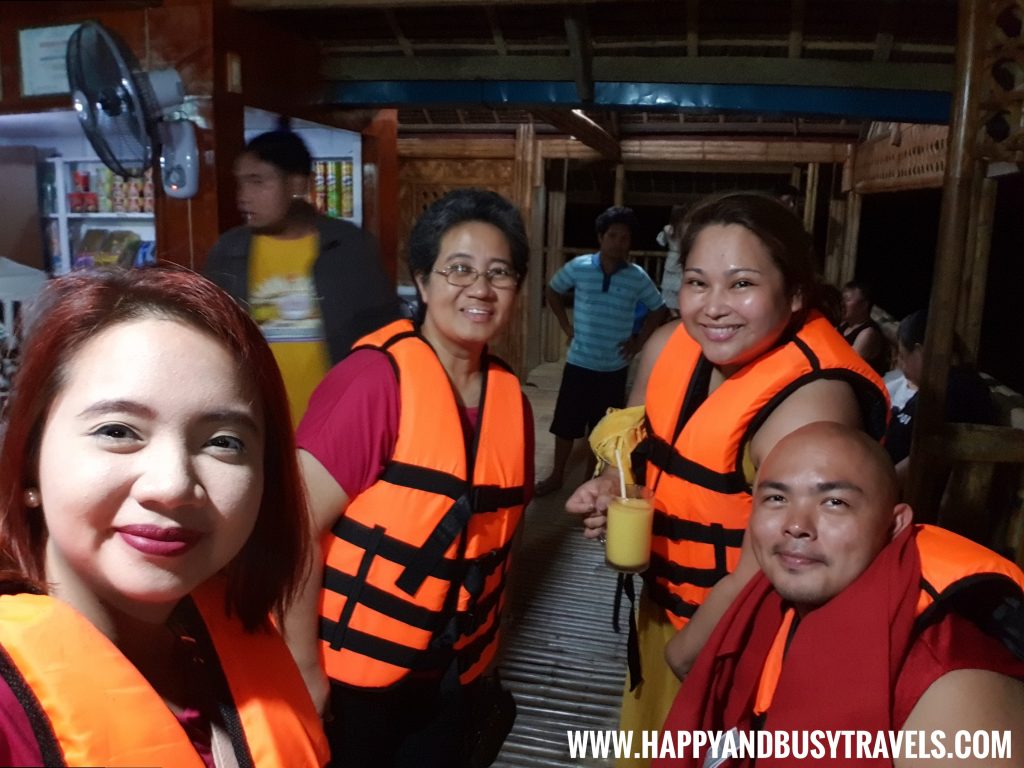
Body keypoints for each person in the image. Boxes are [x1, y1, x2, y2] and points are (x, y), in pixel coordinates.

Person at [565, 192, 890, 767]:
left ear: (793, 294)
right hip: (663, 611)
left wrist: (691, 658)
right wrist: (615, 486)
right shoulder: (669, 347)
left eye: (741, 284)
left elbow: (785, 561)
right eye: (697, 282)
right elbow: (637, 454)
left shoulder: (809, 405)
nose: (713, 307)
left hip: (740, 640)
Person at [0, 267, 328, 767]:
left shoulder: (228, 645)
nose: (173, 485)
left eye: (223, 442)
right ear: (29, 467)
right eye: (118, 430)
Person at [284, 188, 534, 768]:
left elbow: (505, 535)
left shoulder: (510, 399)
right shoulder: (374, 383)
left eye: (500, 273)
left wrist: (489, 648)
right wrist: (302, 669)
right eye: (459, 270)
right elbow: (294, 530)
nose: (480, 288)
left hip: (454, 671)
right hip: (356, 677)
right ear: (422, 283)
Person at [658, 422, 1024, 768]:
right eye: (775, 498)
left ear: (895, 526)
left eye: (834, 503)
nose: (797, 525)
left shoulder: (949, 681)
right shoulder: (772, 605)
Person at [205, 129, 399, 424]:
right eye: (240, 183)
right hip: (257, 426)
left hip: (337, 425)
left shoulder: (349, 248)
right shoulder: (229, 251)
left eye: (258, 181)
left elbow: (386, 341)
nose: (244, 196)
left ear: (297, 184)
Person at [536, 206, 668, 497]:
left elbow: (659, 309)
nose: (618, 243)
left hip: (613, 367)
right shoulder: (580, 267)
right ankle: (556, 475)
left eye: (624, 238)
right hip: (579, 361)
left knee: (602, 429)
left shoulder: (637, 276)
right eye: (613, 236)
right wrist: (565, 324)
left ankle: (588, 482)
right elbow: (552, 291)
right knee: (565, 424)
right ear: (600, 237)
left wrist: (638, 342)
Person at [886, 309, 996, 483]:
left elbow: (928, 457)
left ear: (919, 351)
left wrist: (881, 486)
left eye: (902, 356)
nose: (900, 364)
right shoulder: (940, 384)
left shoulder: (961, 389)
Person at [838, 279, 890, 375]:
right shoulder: (844, 325)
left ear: (864, 305)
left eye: (847, 300)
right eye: (842, 299)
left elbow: (848, 365)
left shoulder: (868, 333)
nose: (842, 304)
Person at [656, 205, 687, 317]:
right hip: (683, 257)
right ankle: (679, 313)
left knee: (669, 288)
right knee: (681, 284)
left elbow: (661, 241)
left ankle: (673, 314)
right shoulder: (687, 227)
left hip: (671, 256)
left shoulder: (668, 229)